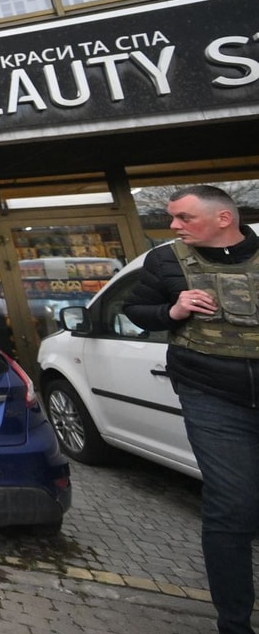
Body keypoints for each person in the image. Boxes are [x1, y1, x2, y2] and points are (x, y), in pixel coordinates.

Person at [124, 184, 259, 634]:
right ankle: (234, 625)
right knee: (232, 506)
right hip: (212, 394)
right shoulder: (165, 260)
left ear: (224, 219)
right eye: (173, 217)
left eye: (184, 217)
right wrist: (173, 311)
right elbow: (136, 309)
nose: (174, 226)